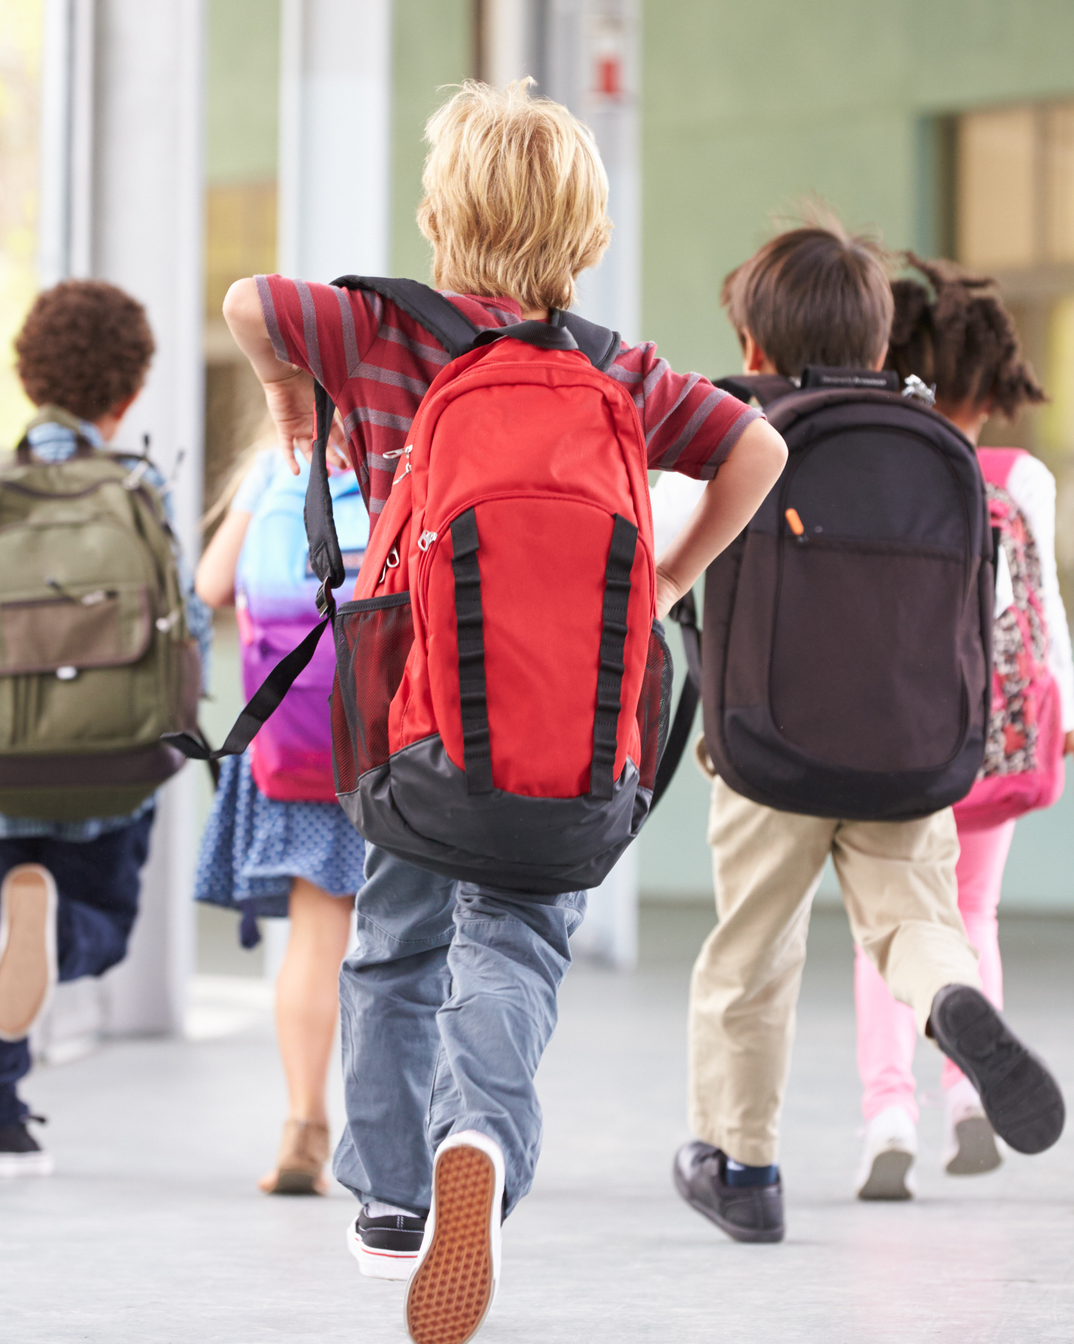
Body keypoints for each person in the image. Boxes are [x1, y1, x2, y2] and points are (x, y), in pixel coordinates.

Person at [220, 80, 785, 1338]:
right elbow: (759, 450)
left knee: (396, 940)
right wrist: (668, 580)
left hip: (416, 727)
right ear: (584, 241)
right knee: (519, 942)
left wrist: (291, 404)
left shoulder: (369, 331)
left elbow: (248, 303)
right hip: (575, 734)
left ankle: (387, 1200)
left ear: (437, 217)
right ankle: (478, 1132)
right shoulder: (618, 371)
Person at [673, 220, 1066, 1246]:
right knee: (913, 922)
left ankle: (742, 1165)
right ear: (883, 347)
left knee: (750, 956)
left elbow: (669, 552)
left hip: (768, 751)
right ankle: (950, 999)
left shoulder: (740, 429)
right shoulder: (932, 441)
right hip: (907, 748)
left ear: (754, 346)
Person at [0, 279, 210, 1179]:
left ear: (28, 379)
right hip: (115, 759)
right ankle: (58, 941)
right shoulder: (140, 488)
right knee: (104, 922)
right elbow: (192, 628)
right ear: (127, 391)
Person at [847, 256, 1074, 1199]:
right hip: (993, 737)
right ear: (996, 382)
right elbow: (1042, 612)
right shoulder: (1022, 476)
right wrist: (1071, 723)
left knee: (884, 929)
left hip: (894, 734)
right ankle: (969, 1097)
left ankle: (887, 1113)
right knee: (969, 916)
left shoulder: (882, 461)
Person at [193, 445, 370, 1195]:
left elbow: (209, 585)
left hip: (297, 743)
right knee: (423, 940)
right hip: (397, 746)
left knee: (315, 938)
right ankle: (422, 1132)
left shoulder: (269, 472)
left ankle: (304, 1124)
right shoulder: (404, 454)